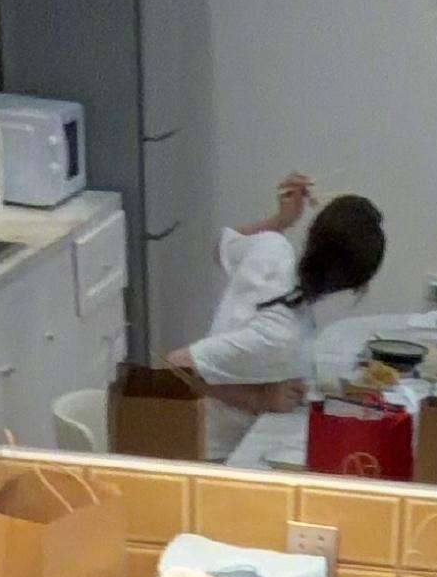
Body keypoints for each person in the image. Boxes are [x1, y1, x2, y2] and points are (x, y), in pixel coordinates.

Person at [166, 172, 388, 459]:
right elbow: (173, 368)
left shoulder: (273, 247)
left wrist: (282, 220)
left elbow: (222, 248)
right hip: (216, 452)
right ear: (357, 285)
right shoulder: (280, 335)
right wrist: (259, 398)